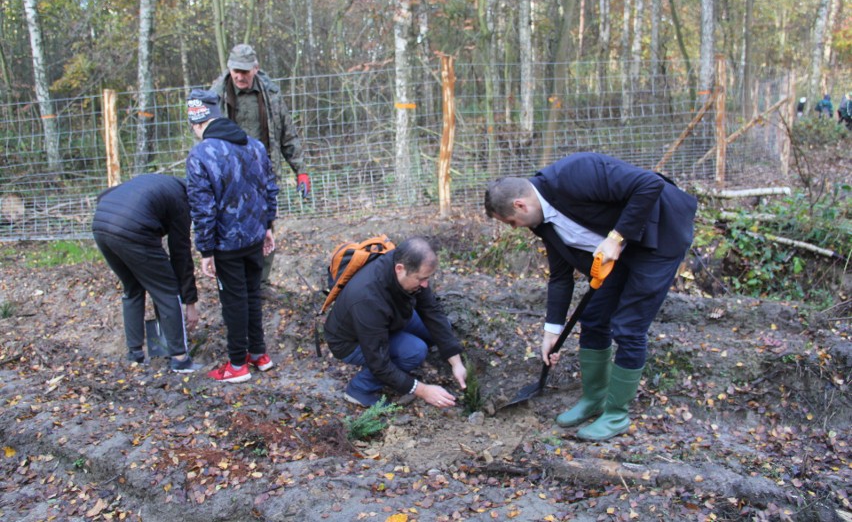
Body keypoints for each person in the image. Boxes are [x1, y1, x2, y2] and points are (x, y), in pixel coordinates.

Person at [484, 153, 697, 441]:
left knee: (628, 326)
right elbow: (560, 277)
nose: (514, 228)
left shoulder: (576, 173)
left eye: (510, 221)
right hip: (620, 249)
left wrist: (616, 237)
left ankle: (616, 414)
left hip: (662, 231)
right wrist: (552, 332)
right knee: (594, 317)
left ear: (519, 204)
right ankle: (594, 398)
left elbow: (648, 184)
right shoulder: (542, 223)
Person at [185, 89, 280, 383]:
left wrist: (206, 250)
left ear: (196, 123)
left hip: (226, 245)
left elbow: (203, 208)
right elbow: (269, 188)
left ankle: (237, 364)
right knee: (252, 295)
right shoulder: (254, 146)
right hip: (254, 238)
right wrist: (267, 226)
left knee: (234, 301)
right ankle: (259, 355)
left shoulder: (200, 155)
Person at [323, 236, 467, 408]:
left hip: (388, 318)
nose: (425, 284)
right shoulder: (367, 298)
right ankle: (359, 389)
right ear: (400, 269)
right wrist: (423, 390)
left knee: (434, 329)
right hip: (350, 341)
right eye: (421, 279)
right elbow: (379, 362)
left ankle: (401, 359)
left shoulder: (407, 266)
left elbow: (432, 311)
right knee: (414, 351)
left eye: (428, 278)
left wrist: (456, 362)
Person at [211, 44, 311, 289]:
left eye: (245, 71)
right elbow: (204, 138)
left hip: (262, 172)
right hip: (228, 174)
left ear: (256, 68)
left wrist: (301, 171)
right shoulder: (216, 95)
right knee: (228, 225)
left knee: (265, 226)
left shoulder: (271, 94)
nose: (240, 76)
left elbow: (287, 134)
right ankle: (233, 284)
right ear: (229, 68)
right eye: (236, 70)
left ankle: (261, 283)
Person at [92, 174, 200, 373]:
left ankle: (135, 354)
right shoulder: (181, 201)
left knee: (132, 288)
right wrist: (189, 301)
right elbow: (181, 255)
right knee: (167, 289)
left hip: (101, 224)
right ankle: (180, 358)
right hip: (132, 230)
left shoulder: (159, 183)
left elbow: (105, 196)